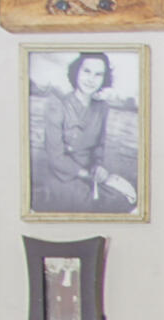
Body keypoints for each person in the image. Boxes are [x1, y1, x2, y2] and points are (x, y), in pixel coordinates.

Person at [32, 52, 134, 216]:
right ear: (76, 72)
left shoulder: (102, 108)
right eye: (86, 71)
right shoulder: (57, 105)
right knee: (89, 203)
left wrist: (99, 166)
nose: (91, 79)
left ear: (104, 79)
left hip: (91, 175)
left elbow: (99, 146)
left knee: (127, 196)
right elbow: (55, 157)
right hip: (62, 176)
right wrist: (87, 175)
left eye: (98, 74)